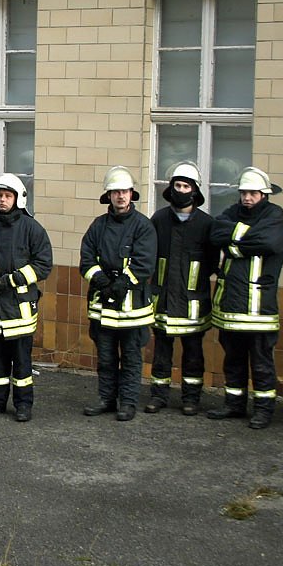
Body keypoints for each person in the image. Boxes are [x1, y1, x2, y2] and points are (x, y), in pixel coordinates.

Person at [207, 167, 283, 430]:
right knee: (233, 359)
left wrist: (233, 243)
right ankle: (234, 404)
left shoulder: (274, 215)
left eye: (252, 193)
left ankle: (264, 410)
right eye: (243, 193)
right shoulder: (231, 213)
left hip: (259, 308)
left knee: (262, 362)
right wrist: (245, 238)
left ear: (264, 194)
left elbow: (270, 241)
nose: (247, 198)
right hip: (230, 305)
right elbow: (216, 233)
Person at [0, 174, 53, 422]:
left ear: (19, 199)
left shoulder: (33, 229)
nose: (3, 200)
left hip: (19, 308)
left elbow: (43, 265)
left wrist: (12, 280)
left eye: (7, 196)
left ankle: (23, 404)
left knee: (22, 362)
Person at [80, 167, 157, 421]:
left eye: (124, 191)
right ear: (109, 196)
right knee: (106, 358)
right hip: (103, 306)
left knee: (132, 358)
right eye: (115, 192)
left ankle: (128, 403)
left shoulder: (143, 226)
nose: (120, 196)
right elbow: (86, 259)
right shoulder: (98, 226)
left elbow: (145, 263)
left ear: (131, 194)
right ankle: (106, 399)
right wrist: (101, 280)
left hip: (132, 308)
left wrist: (124, 282)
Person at [145, 162, 218, 416]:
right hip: (163, 299)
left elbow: (212, 262)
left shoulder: (206, 224)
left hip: (193, 302)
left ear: (194, 190)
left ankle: (191, 399)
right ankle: (158, 396)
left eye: (186, 186)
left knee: (193, 354)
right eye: (177, 185)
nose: (181, 190)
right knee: (161, 352)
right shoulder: (159, 220)